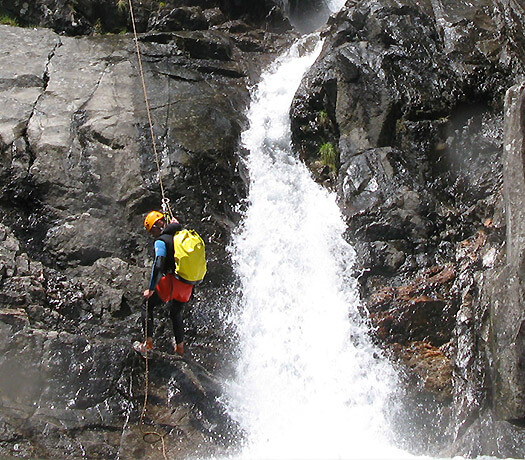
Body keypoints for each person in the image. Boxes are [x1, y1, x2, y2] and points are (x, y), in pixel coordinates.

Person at [133, 210, 193, 356]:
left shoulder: (161, 240)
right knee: (175, 313)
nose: (152, 235)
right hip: (187, 285)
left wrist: (151, 288)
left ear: (155, 227)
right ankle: (180, 348)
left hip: (172, 284)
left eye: (151, 231)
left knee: (147, 305)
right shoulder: (181, 234)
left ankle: (148, 344)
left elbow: (159, 263)